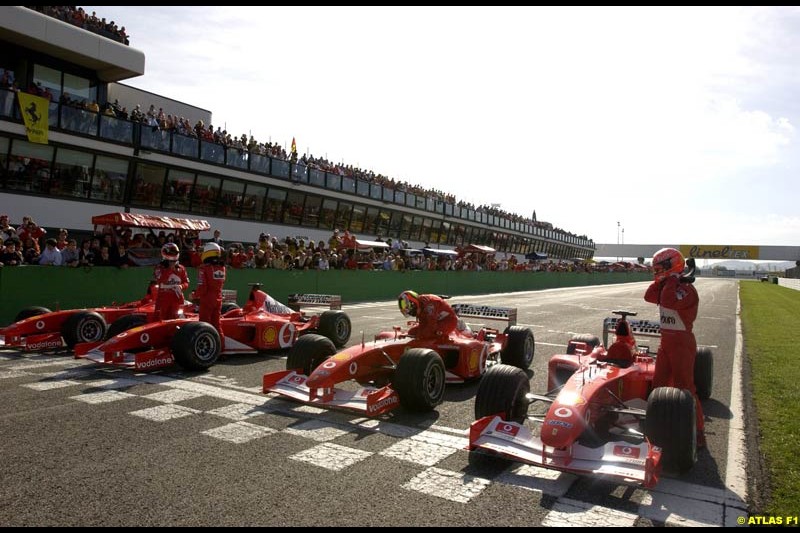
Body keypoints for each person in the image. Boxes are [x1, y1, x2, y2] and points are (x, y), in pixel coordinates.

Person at [644, 247, 705, 447]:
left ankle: (697, 432)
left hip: (682, 344)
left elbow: (669, 301)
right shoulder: (668, 285)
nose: (657, 272)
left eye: (660, 268)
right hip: (666, 343)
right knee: (658, 386)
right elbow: (649, 296)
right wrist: (661, 281)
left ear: (672, 265)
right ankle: (658, 426)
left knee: (685, 388)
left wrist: (670, 281)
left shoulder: (687, 289)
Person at [195, 242, 226, 346]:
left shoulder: (204, 268)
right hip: (218, 299)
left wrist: (194, 295)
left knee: (204, 325)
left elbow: (202, 288)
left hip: (207, 299)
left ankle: (206, 348)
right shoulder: (222, 268)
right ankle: (221, 349)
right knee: (217, 325)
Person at [152, 242, 189, 320]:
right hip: (163, 299)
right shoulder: (159, 268)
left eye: (174, 252)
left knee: (177, 321)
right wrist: (169, 269)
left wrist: (181, 286)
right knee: (159, 321)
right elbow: (160, 281)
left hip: (177, 299)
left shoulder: (181, 268)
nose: (173, 254)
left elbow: (186, 283)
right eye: (171, 252)